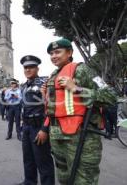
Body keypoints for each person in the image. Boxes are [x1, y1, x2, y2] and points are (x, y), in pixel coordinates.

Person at [41, 38, 116, 185]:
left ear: (69, 53)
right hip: (57, 137)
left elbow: (111, 96)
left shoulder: (83, 70)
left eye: (58, 52)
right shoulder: (53, 76)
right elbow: (54, 108)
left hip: (81, 137)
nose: (53, 56)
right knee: (64, 178)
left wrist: (77, 89)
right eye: (51, 53)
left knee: (84, 180)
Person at [17, 55, 54, 185]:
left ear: (37, 68)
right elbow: (24, 107)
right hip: (27, 127)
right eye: (25, 67)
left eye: (31, 67)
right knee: (28, 158)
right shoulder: (23, 86)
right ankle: (29, 181)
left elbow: (50, 108)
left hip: (39, 127)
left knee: (43, 161)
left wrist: (45, 129)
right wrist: (22, 126)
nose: (28, 69)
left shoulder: (44, 83)